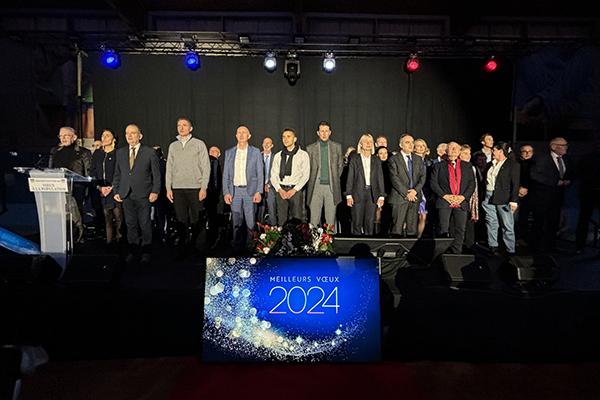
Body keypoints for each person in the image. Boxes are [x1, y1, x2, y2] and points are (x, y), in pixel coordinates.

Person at [113, 124, 161, 263]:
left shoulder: (149, 152)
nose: (129, 136)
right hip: (126, 194)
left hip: (144, 194)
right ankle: (132, 252)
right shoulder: (120, 152)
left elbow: (156, 175)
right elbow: (118, 174)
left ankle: (146, 252)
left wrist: (155, 191)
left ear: (140, 136)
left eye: (133, 133)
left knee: (145, 224)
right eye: (127, 133)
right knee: (130, 225)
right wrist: (116, 190)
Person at [165, 118, 210, 255]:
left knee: (197, 219)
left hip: (195, 188)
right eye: (179, 125)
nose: (181, 127)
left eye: (184, 125)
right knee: (181, 220)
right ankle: (182, 247)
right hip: (177, 188)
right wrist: (168, 188)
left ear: (191, 128)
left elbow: (206, 167)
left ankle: (198, 247)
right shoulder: (173, 146)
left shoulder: (199, 144)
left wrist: (203, 187)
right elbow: (169, 168)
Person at [49, 126, 92, 245]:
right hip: (58, 190)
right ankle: (61, 241)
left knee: (75, 217)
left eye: (66, 135)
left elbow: (88, 173)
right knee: (61, 217)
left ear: (74, 137)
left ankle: (78, 241)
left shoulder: (84, 152)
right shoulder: (55, 151)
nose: (63, 138)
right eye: (61, 136)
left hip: (75, 190)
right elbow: (50, 170)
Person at [222, 126, 263, 250]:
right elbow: (226, 174)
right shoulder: (229, 152)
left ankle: (250, 246)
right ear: (236, 135)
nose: (241, 135)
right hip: (234, 191)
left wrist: (258, 191)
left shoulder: (255, 152)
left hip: (250, 191)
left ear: (248, 136)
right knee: (236, 222)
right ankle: (237, 246)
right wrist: (226, 192)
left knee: (250, 222)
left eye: (244, 132)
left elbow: (260, 173)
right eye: (239, 132)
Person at [430, 141, 475, 254]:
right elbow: (433, 183)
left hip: (461, 202)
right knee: (443, 228)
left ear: (459, 151)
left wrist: (463, 197)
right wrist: (445, 196)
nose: (454, 150)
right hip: (444, 201)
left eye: (456, 148)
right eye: (451, 148)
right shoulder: (438, 166)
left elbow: (471, 183)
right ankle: (442, 253)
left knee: (460, 228)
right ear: (446, 151)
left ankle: (457, 251)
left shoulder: (467, 166)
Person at [529, 137, 572, 252]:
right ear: (554, 147)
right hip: (542, 197)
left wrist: (568, 180)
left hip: (557, 198)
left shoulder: (566, 159)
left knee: (553, 223)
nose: (566, 148)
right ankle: (535, 246)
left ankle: (550, 246)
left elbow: (569, 173)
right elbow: (534, 175)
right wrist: (553, 182)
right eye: (563, 145)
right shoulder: (542, 158)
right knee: (538, 222)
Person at [481, 142, 520, 255]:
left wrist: (513, 201)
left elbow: (515, 184)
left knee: (507, 224)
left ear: (500, 151)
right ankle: (493, 246)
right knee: (491, 221)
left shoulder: (512, 165)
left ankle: (510, 249)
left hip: (504, 197)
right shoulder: (490, 164)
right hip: (489, 196)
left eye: (494, 150)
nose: (492, 152)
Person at [345, 134, 386, 236]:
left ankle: (368, 243)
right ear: (360, 144)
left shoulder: (376, 160)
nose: (368, 143)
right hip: (357, 193)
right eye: (366, 141)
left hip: (372, 194)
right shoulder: (355, 159)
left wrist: (381, 195)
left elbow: (380, 178)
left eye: (370, 141)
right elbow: (350, 178)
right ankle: (356, 243)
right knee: (357, 221)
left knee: (370, 222)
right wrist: (348, 195)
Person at [306, 121, 343, 229]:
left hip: (331, 187)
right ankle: (313, 239)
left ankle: (329, 239)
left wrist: (333, 178)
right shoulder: (310, 148)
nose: (324, 133)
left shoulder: (337, 147)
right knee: (314, 220)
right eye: (322, 131)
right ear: (318, 133)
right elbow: (308, 168)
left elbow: (340, 166)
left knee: (330, 221)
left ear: (330, 132)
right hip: (315, 187)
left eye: (326, 131)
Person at [388, 134, 425, 237]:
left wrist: (415, 191)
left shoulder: (418, 159)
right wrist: (407, 193)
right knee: (397, 228)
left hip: (414, 197)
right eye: (407, 142)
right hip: (400, 198)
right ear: (401, 145)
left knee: (412, 230)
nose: (411, 145)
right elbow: (394, 178)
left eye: (412, 142)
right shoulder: (393, 159)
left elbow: (422, 177)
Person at [89, 129, 122, 246]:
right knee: (107, 218)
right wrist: (99, 187)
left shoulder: (118, 153)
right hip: (102, 191)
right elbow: (92, 171)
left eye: (107, 136)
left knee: (118, 218)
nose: (104, 138)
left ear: (114, 139)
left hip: (115, 190)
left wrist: (112, 187)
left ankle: (120, 244)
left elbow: (121, 172)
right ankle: (109, 244)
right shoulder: (98, 154)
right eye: (103, 135)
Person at [270, 129, 310, 225]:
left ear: (294, 139)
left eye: (288, 136)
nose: (285, 139)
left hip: (295, 190)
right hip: (281, 191)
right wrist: (279, 189)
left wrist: (294, 189)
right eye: (284, 137)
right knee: (282, 220)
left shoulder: (302, 155)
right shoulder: (278, 155)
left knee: (297, 221)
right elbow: (273, 175)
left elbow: (305, 175)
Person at [575, 142, 600, 255]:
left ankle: (579, 246)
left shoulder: (587, 158)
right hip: (588, 192)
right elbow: (579, 173)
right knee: (583, 219)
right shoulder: (587, 158)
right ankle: (579, 245)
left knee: (583, 219)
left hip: (587, 191)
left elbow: (579, 173)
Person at [413, 138, 432, 238]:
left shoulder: (428, 163)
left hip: (424, 192)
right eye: (418, 146)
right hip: (413, 190)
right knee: (411, 216)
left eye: (423, 145)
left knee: (423, 216)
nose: (421, 148)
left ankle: (419, 237)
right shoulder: (410, 160)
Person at [516, 144, 534, 245]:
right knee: (520, 217)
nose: (527, 154)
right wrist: (519, 187)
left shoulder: (535, 164)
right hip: (518, 193)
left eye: (529, 151)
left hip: (533, 193)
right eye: (524, 151)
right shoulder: (516, 164)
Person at [257, 138, 277, 226]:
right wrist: (262, 186)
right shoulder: (258, 156)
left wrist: (269, 185)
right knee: (259, 213)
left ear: (272, 145)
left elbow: (277, 173)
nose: (266, 145)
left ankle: (273, 231)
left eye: (268, 143)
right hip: (259, 189)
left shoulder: (276, 157)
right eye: (265, 143)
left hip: (271, 188)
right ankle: (258, 231)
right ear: (262, 144)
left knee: (272, 212)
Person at [205, 146, 223, 248]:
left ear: (219, 154)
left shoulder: (220, 164)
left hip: (218, 194)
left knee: (215, 216)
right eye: (210, 151)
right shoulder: (204, 163)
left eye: (214, 151)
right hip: (206, 193)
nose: (212, 153)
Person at [375, 146, 392, 236]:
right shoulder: (374, 166)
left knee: (386, 214)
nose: (384, 155)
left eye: (385, 153)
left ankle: (384, 233)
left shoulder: (390, 165)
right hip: (376, 193)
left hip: (388, 193)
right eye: (381, 153)